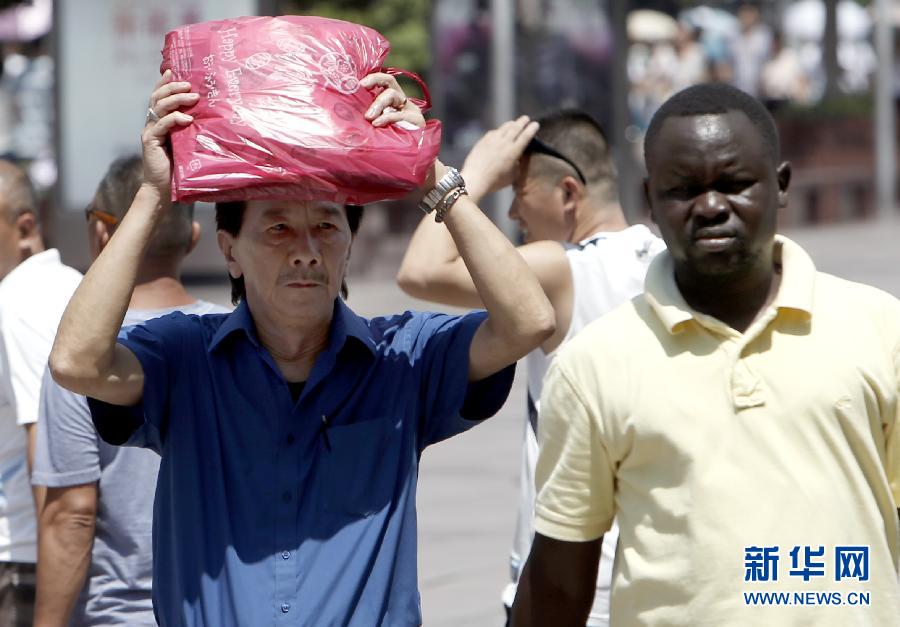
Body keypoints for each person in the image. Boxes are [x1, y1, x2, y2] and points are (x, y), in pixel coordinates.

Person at [48, 70, 554, 626]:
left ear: (349, 245)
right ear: (230, 251)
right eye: (278, 229)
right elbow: (76, 362)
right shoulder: (183, 358)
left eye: (327, 227)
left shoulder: (403, 358)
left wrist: (431, 174)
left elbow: (528, 322)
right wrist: (152, 194)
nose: (306, 250)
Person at [511, 83, 900, 626]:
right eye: (684, 189)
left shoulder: (880, 329)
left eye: (735, 184)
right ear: (650, 200)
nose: (712, 206)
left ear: (781, 185)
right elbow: (558, 580)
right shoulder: (593, 365)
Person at [398, 110, 664, 625]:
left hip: (571, 580)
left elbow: (422, 270)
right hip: (650, 567)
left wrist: (470, 177)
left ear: (568, 192)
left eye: (518, 191)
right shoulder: (664, 261)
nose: (514, 213)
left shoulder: (568, 267)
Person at [32, 155, 228, 626]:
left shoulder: (83, 358)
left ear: (102, 234)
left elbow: (73, 514)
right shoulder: (235, 336)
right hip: (227, 604)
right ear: (194, 238)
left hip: (122, 614)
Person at [0, 161, 82, 627]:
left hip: (25, 563)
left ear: (24, 227)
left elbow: (48, 444)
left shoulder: (21, 300)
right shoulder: (71, 284)